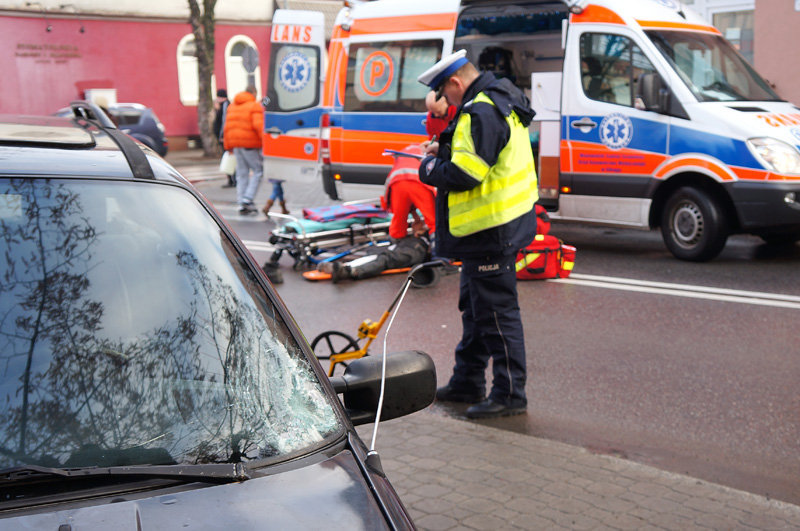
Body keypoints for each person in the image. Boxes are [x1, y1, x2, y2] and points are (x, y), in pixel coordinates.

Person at [416, 49, 538, 419]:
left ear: (456, 82)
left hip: (491, 231)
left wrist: (429, 167)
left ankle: (510, 394)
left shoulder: (480, 110)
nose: (444, 101)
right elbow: (484, 154)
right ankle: (467, 380)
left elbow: (466, 175)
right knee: (475, 311)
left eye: (443, 93)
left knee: (498, 315)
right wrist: (447, 149)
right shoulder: (498, 98)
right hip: (491, 230)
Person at [319, 144, 436, 282]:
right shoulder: (432, 150)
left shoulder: (421, 244)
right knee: (380, 254)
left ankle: (350, 271)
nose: (417, 223)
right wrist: (420, 224)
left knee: (387, 259)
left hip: (415, 246)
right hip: (417, 186)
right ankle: (344, 268)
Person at [223, 85, 264, 215]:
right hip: (250, 144)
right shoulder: (254, 105)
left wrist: (228, 146)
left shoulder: (232, 106)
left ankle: (241, 202)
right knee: (258, 171)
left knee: (242, 174)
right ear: (254, 92)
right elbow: (259, 126)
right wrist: (265, 142)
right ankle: (248, 198)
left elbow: (227, 127)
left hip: (236, 145)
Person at [213, 89, 235, 188]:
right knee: (228, 158)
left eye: (218, 97)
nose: (217, 99)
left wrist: (222, 136)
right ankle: (231, 179)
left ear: (221, 97)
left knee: (230, 159)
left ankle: (232, 180)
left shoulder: (226, 106)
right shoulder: (223, 106)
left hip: (225, 138)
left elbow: (224, 122)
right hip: (224, 137)